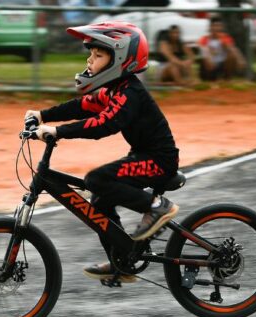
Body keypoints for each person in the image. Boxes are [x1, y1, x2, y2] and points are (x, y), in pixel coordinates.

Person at [24, 21, 181, 283]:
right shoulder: (113, 89)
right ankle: (123, 262)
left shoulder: (129, 93)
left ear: (118, 59)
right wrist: (42, 115)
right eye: (91, 54)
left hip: (159, 162)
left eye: (98, 55)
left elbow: (104, 124)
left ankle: (156, 207)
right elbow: (82, 106)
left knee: (96, 179)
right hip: (142, 158)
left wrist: (58, 132)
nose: (90, 59)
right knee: (98, 200)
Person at [197, 16, 246, 81]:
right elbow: (204, 51)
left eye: (219, 26)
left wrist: (240, 59)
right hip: (208, 65)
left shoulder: (225, 38)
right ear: (210, 27)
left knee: (231, 55)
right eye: (215, 26)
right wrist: (209, 57)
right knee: (205, 55)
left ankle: (227, 78)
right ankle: (210, 79)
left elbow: (232, 48)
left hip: (221, 64)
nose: (217, 28)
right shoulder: (204, 39)